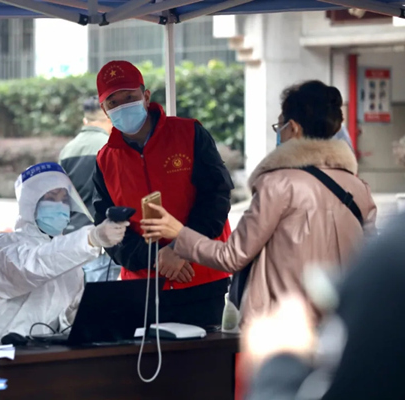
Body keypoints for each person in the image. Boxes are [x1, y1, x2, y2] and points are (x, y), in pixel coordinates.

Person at [141, 80, 376, 325]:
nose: (279, 133)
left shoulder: (279, 184)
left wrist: (178, 233)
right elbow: (369, 261)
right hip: (342, 322)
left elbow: (232, 256)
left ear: (293, 128)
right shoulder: (357, 188)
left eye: (280, 125)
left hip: (283, 325)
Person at [92, 60, 234, 328]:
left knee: (205, 354)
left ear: (145, 96)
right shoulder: (104, 160)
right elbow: (108, 227)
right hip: (143, 287)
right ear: (104, 109)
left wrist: (180, 249)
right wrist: (156, 258)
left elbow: (216, 197)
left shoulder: (189, 133)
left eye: (129, 97)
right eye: (113, 102)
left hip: (201, 278)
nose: (122, 106)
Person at [243, 212, 405, 400]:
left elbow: (237, 252)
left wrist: (278, 365)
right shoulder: (366, 200)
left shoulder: (393, 252)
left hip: (290, 309)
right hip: (337, 304)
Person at [0, 162, 129, 343]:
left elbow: (64, 321)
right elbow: (33, 267)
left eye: (64, 199)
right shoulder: (4, 247)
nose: (60, 205)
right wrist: (91, 239)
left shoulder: (71, 263)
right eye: (51, 198)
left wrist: (84, 315)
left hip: (43, 354)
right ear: (30, 204)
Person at [59, 96, 119, 282]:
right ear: (109, 120)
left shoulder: (67, 150)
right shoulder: (111, 148)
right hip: (102, 241)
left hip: (72, 240)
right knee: (99, 299)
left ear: (86, 120)